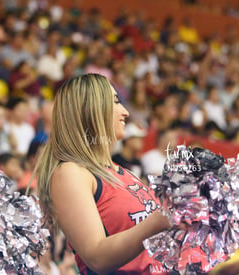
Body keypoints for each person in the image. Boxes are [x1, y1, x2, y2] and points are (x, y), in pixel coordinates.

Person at [34, 73, 172, 274]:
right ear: (90, 111)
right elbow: (96, 257)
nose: (125, 111)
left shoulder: (124, 172)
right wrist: (160, 220)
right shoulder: (71, 172)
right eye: (115, 102)